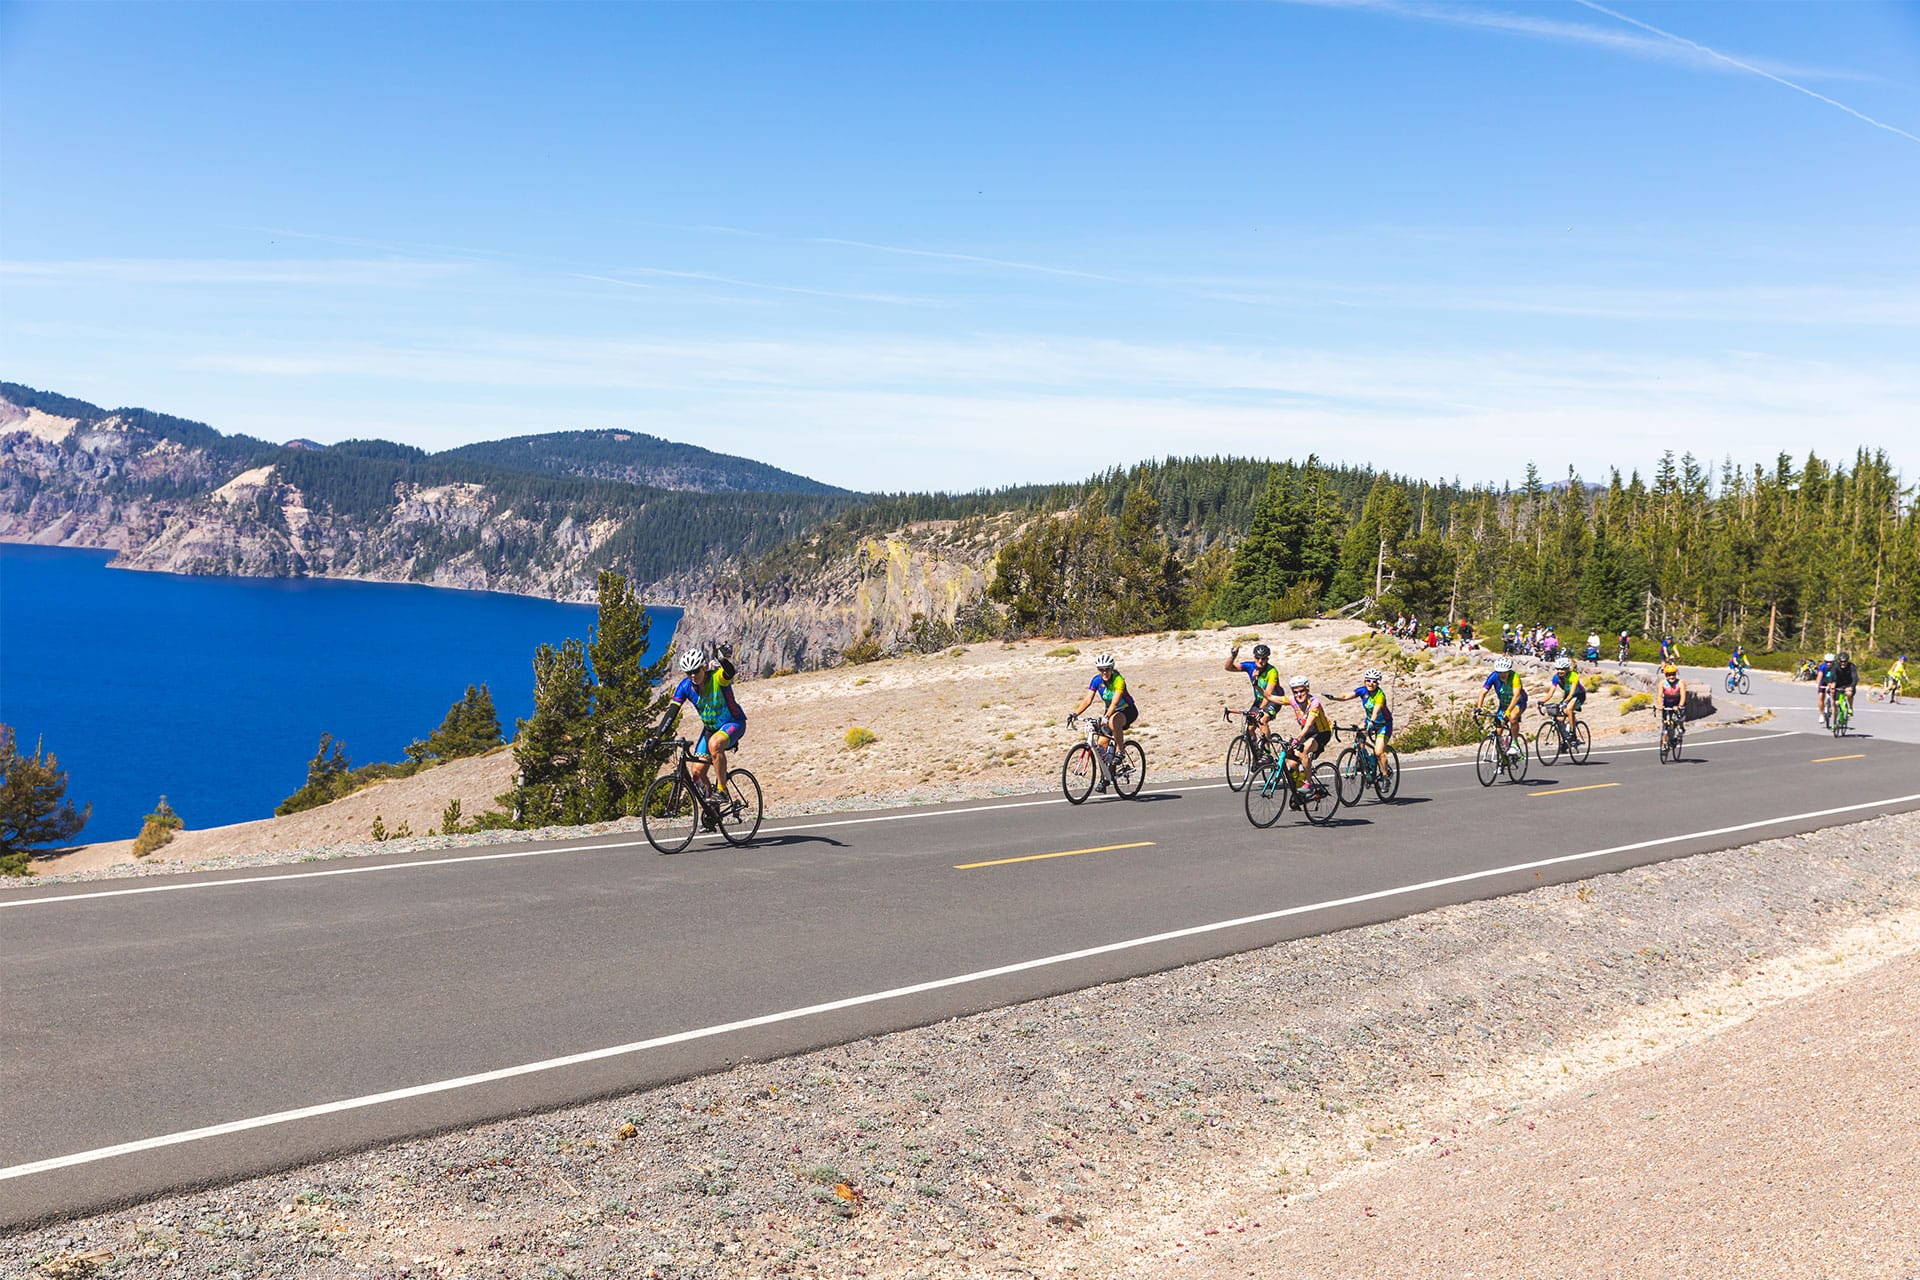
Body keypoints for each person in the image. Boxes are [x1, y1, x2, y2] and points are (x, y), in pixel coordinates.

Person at [656, 644, 745, 805]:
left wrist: (722, 660)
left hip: (733, 723)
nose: (693, 675)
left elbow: (730, 672)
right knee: (697, 772)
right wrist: (657, 736)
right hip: (710, 729)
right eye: (688, 673)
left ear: (704, 667)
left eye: (696, 670)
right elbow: (672, 712)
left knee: (715, 744)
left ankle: (722, 790)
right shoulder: (685, 687)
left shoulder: (717, 677)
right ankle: (712, 810)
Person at [1070, 653, 1136, 793]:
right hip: (1110, 712)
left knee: (1113, 721)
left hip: (1127, 710)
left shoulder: (1119, 680)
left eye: (1107, 669)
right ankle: (1106, 778)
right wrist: (1075, 714)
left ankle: (1120, 751)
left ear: (1112, 668)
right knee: (1101, 746)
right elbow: (1088, 700)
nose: (1104, 672)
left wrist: (1106, 717)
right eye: (1101, 670)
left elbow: (1115, 702)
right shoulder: (1096, 680)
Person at [1269, 674, 1334, 797]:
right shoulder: (1292, 700)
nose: (1299, 694)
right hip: (1307, 733)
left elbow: (1309, 725)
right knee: (1292, 761)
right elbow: (1270, 697)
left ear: (1307, 689)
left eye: (1302, 691)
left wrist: (1297, 739)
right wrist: (1257, 686)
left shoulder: (1315, 704)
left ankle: (1309, 783)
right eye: (1295, 692)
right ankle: (1300, 786)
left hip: (1322, 733)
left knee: (1303, 750)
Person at [1326, 668, 1394, 784]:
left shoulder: (1380, 695)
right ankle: (1362, 760)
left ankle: (1385, 776)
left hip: (1384, 724)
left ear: (1378, 683)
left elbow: (1376, 711)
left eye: (1374, 681)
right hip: (1369, 720)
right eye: (1368, 680)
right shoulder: (1363, 691)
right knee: (1359, 734)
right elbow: (1346, 696)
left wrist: (1372, 722)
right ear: (1365, 681)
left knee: (1378, 752)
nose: (1371, 683)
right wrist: (1334, 698)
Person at [1225, 642, 1282, 749]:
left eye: (1263, 658)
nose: (1260, 661)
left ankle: (1267, 753)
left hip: (1274, 699)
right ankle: (1256, 752)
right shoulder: (1250, 666)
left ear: (1267, 659)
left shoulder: (1272, 671)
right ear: (1254, 658)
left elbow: (1268, 695)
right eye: (1257, 658)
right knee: (1250, 729)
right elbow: (1228, 667)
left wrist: (1260, 711)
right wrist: (1233, 656)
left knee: (1262, 720)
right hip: (1259, 699)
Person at [1477, 656, 1527, 758]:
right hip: (1503, 704)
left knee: (1513, 717)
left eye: (1505, 672)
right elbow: (1483, 692)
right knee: (1498, 731)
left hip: (1518, 703)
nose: (1502, 674)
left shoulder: (1515, 677)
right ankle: (1503, 759)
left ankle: (1514, 743)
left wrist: (1508, 711)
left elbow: (1516, 695)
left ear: (1509, 671)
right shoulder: (1493, 676)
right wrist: (1479, 707)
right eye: (1500, 672)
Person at [1547, 655, 1586, 738]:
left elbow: (1572, 694)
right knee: (1560, 719)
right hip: (1567, 695)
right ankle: (1564, 741)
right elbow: (1551, 692)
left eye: (1562, 669)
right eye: (1557, 669)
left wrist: (1565, 702)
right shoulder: (1556, 677)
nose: (1560, 671)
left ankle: (1572, 733)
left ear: (1567, 669)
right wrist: (1542, 701)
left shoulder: (1573, 676)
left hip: (1578, 695)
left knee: (1568, 709)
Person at [1658, 662, 1688, 735]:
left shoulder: (1680, 683)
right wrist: (1660, 705)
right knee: (1665, 721)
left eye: (1673, 674)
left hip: (1677, 702)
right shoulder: (1662, 683)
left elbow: (1683, 695)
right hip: (1667, 702)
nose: (1671, 677)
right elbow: (1659, 695)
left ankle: (1681, 726)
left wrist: (1680, 706)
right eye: (1668, 675)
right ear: (1665, 675)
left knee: (1679, 717)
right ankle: (1665, 741)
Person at [1830, 650, 1859, 724]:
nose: (1843, 663)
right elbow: (1832, 676)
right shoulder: (1835, 666)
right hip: (1839, 685)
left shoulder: (1851, 666)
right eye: (1841, 661)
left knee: (1849, 694)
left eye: (1845, 661)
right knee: (1836, 703)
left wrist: (1852, 686)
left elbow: (1855, 677)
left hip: (1848, 684)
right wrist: (1832, 684)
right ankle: (1835, 721)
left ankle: (1850, 708)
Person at [1816, 651, 1837, 722]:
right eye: (1827, 662)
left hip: (1832, 682)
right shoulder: (1823, 667)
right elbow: (1819, 676)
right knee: (1821, 697)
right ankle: (1821, 714)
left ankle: (1833, 708)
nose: (1829, 663)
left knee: (1833, 693)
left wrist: (1832, 685)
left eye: (1830, 662)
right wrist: (1818, 684)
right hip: (1824, 682)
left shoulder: (1836, 667)